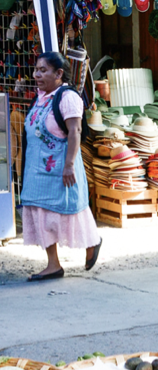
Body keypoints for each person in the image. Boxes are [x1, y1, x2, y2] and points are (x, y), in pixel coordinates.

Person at [22, 52, 102, 281]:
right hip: (38, 172)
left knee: (69, 210)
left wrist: (68, 166)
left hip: (61, 169)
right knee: (41, 213)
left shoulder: (67, 97)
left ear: (59, 74)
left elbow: (75, 131)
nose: (37, 74)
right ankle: (53, 265)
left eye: (43, 70)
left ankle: (92, 242)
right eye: (36, 69)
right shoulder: (40, 98)